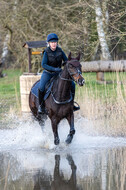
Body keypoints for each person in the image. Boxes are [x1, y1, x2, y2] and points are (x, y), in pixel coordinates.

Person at [38, 33, 80, 114]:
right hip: (48, 73)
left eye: (55, 42)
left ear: (57, 43)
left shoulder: (60, 51)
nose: (54, 44)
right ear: (49, 43)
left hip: (58, 74)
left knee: (72, 85)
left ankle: (72, 104)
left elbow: (66, 61)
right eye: (52, 42)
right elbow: (43, 65)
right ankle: (41, 106)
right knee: (41, 87)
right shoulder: (46, 52)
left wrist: (71, 63)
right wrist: (54, 69)